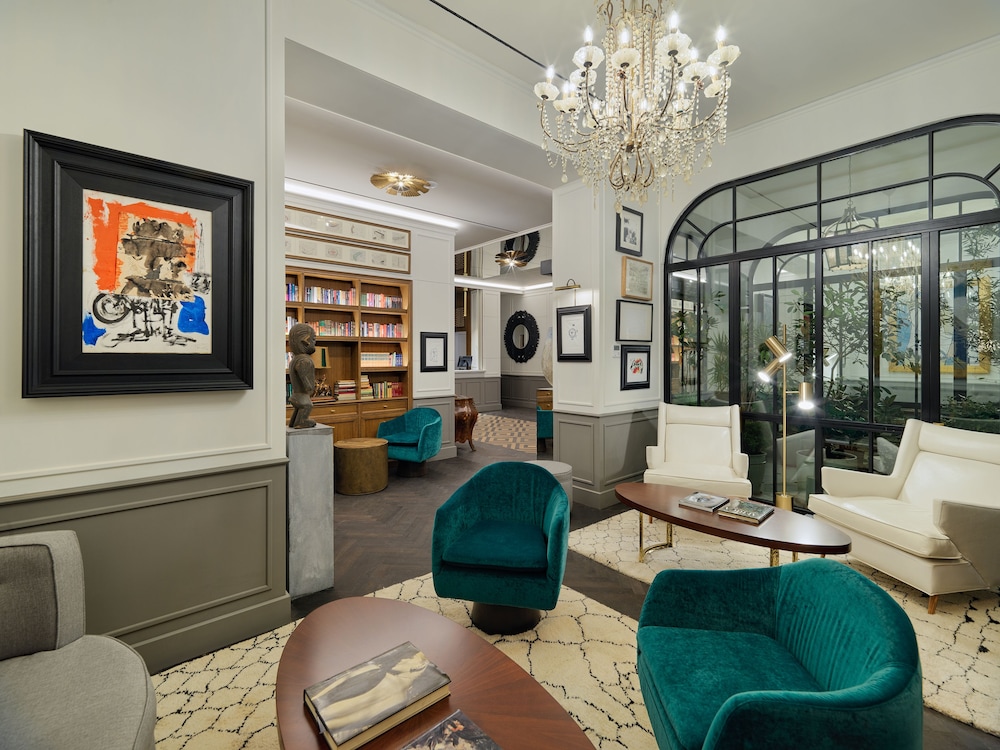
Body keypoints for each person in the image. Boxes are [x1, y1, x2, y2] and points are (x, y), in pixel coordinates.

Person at [288, 322, 317, 428]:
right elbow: (304, 376)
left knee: (299, 409)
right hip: (302, 396)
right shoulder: (304, 360)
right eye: (313, 339)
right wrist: (309, 386)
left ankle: (294, 422)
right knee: (307, 406)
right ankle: (301, 421)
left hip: (295, 395)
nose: (315, 343)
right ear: (305, 341)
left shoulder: (295, 360)